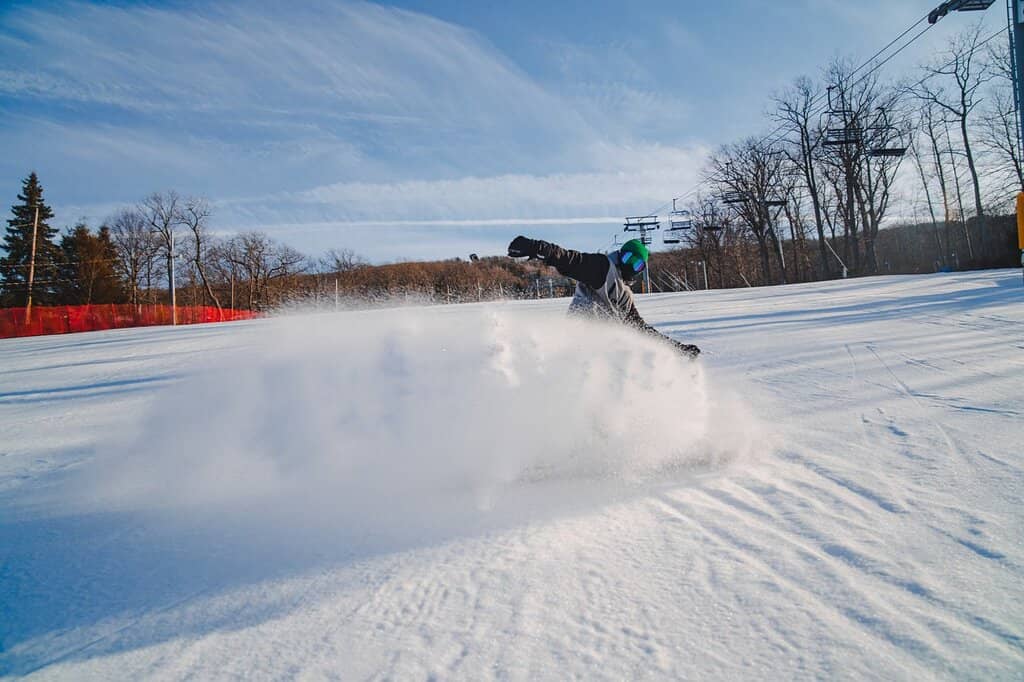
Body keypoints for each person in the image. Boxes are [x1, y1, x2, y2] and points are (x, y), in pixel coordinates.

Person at [507, 235, 700, 358]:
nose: (630, 267)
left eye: (636, 265)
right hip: (578, 340)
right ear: (620, 256)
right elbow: (568, 259)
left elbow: (640, 328)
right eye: (627, 260)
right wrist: (538, 247)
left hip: (602, 350)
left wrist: (676, 348)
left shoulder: (624, 295)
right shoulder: (602, 268)